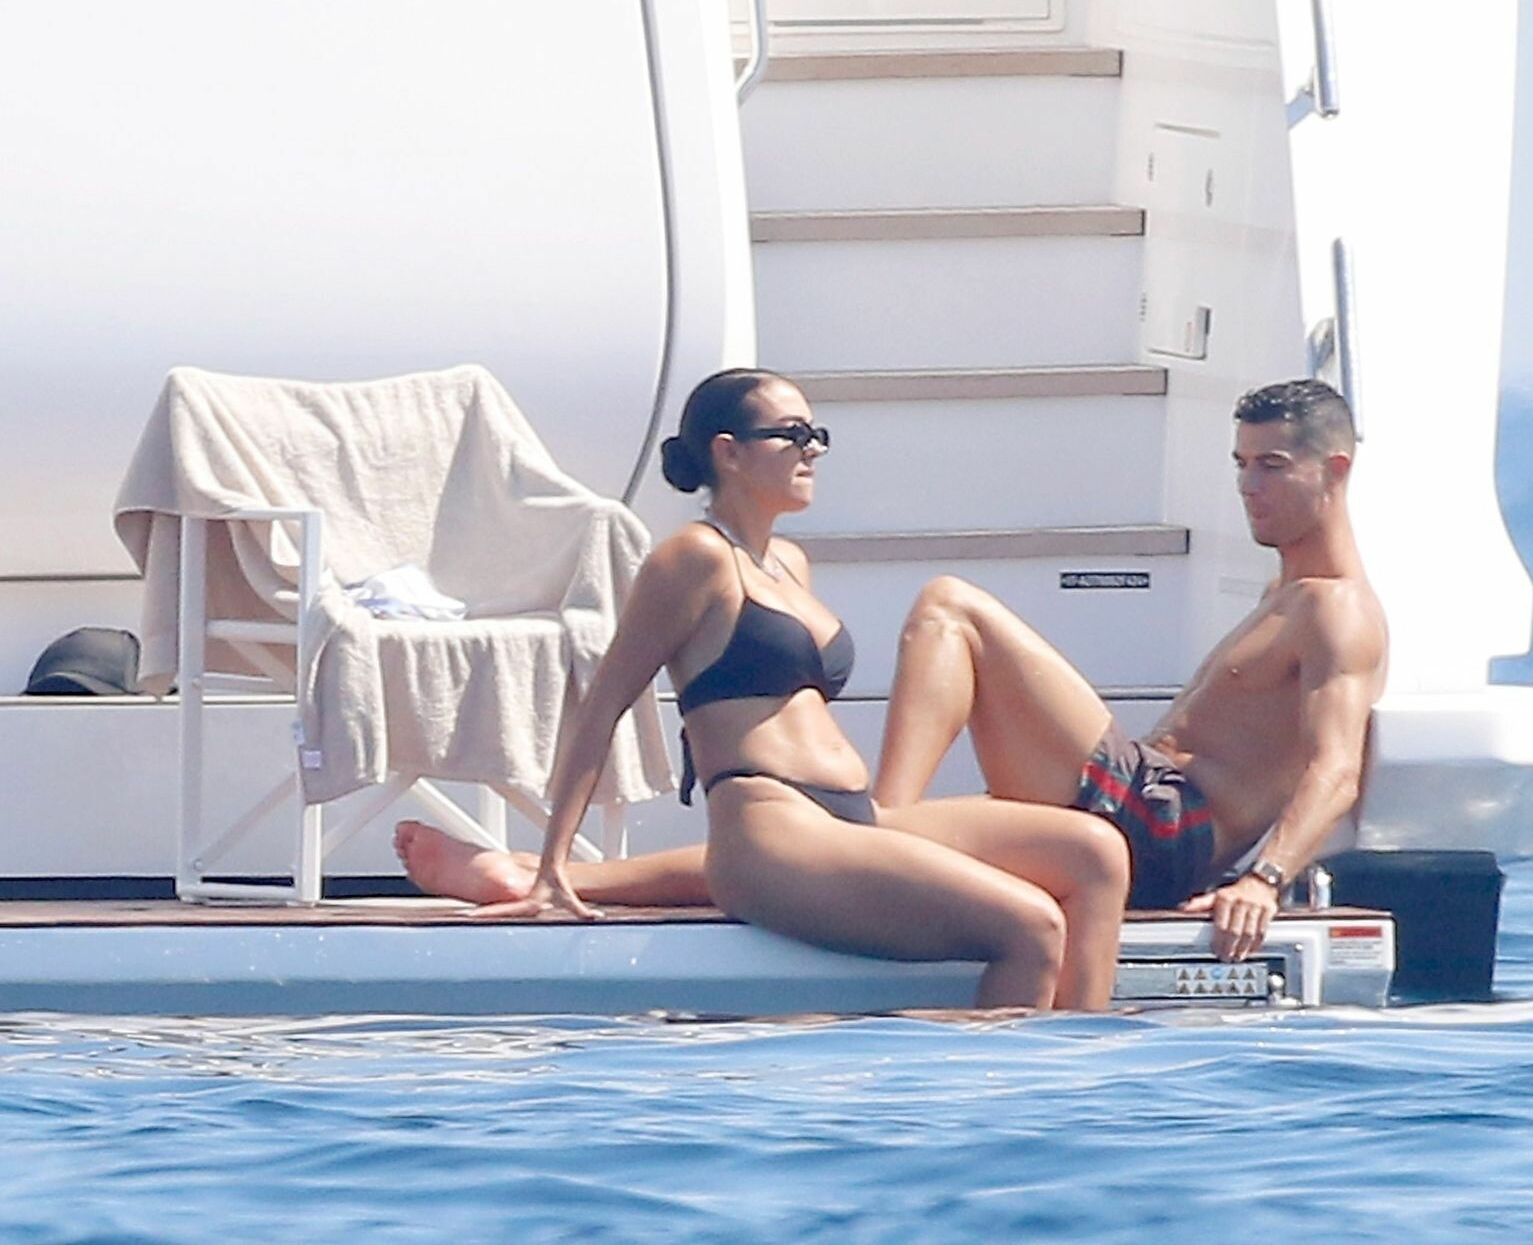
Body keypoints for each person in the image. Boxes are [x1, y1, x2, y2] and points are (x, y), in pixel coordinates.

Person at [399, 368, 1130, 1012]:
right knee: (1029, 927)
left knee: (1097, 852)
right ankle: (984, 1099)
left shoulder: (788, 563)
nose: (812, 450)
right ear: (729, 452)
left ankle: (1085, 1068)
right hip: (770, 831)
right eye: (792, 434)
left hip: (852, 818)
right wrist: (553, 869)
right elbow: (603, 706)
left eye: (817, 434)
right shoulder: (693, 559)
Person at [870, 378, 1388, 963]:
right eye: (1241, 464)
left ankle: (876, 833)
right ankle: (881, 833)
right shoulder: (1286, 594)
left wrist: (1263, 880)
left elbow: (1337, 769)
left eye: (1272, 466)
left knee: (950, 607)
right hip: (1146, 812)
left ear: (1335, 471)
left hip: (1165, 828)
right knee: (932, 827)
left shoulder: (1338, 609)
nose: (1249, 486)